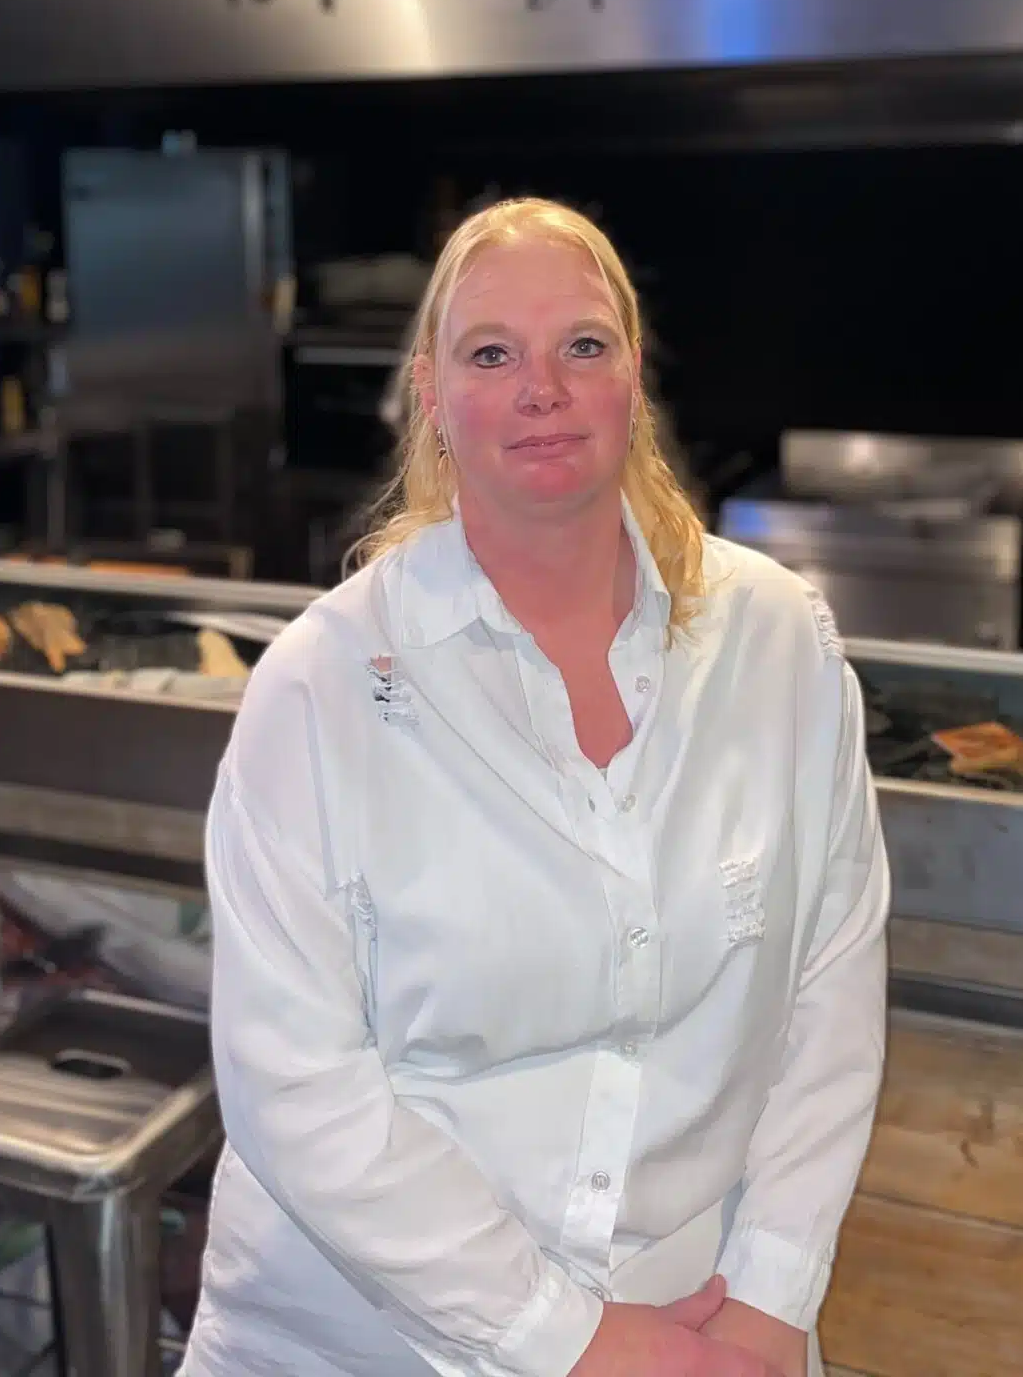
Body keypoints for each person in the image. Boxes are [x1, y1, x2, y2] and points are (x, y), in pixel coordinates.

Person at [181, 197, 890, 1377]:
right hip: (365, 1338)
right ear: (430, 391)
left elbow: (832, 979)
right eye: (491, 353)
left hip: (700, 1319)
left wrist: (774, 1291)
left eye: (582, 345)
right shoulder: (321, 684)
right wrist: (570, 1337)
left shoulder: (778, 638)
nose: (542, 388)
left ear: (632, 372)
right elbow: (294, 1083)